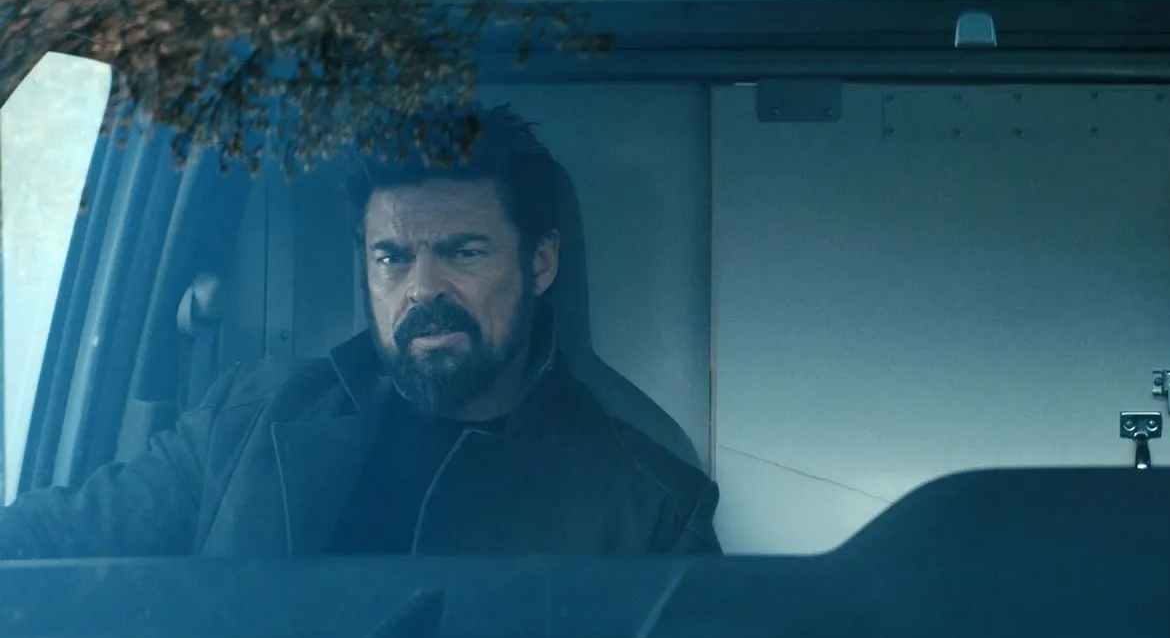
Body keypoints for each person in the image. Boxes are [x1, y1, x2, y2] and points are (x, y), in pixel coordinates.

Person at [0, 105, 721, 556]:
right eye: (392, 258)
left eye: (463, 252)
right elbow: (60, 537)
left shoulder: (654, 508)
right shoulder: (251, 416)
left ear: (540, 263)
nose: (423, 288)